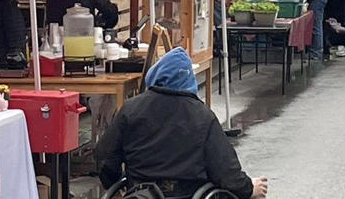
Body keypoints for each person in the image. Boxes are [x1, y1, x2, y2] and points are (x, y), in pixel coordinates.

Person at [96, 48, 268, 199]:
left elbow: (105, 155)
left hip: (141, 193)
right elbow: (226, 172)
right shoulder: (203, 116)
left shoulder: (130, 109)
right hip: (189, 193)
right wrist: (249, 189)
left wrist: (114, 184)